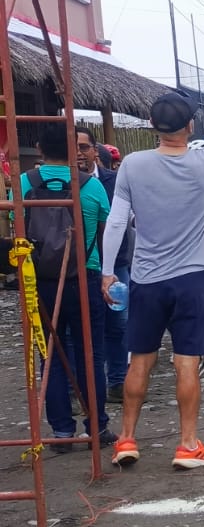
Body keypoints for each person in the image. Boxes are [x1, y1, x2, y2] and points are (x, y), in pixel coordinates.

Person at [100, 89, 204, 468]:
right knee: (187, 362)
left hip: (146, 278)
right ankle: (187, 445)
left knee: (140, 360)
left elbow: (117, 221)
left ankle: (126, 440)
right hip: (192, 279)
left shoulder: (132, 164)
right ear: (190, 126)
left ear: (152, 125)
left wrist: (106, 272)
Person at [21, 122, 111, 451]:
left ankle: (61, 432)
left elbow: (15, 227)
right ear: (74, 149)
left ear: (40, 149)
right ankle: (97, 427)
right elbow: (105, 230)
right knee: (91, 354)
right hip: (84, 276)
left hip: (39, 280)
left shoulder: (23, 183)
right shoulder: (91, 186)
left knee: (50, 355)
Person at [76, 125, 132, 402]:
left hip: (115, 262)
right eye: (73, 147)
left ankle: (118, 382)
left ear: (95, 151)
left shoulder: (114, 180)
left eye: (84, 147)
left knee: (118, 322)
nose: (78, 153)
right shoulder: (59, 182)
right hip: (75, 265)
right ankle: (77, 388)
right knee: (76, 327)